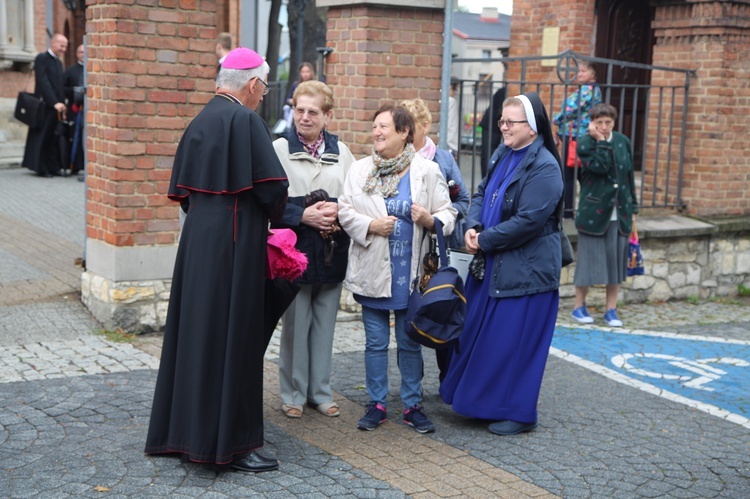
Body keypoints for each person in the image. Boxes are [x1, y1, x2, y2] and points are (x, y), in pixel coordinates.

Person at [145, 48, 289, 473]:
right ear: (250, 84)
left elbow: (186, 196)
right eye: (262, 87)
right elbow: (271, 190)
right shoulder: (245, 120)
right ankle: (233, 445)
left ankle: (181, 435)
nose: (262, 96)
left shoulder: (199, 120)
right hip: (234, 245)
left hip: (198, 246)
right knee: (235, 339)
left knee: (194, 336)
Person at [439, 92, 564, 436]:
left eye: (512, 122)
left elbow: (529, 221)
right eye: (501, 121)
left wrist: (485, 240)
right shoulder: (503, 153)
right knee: (487, 340)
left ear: (533, 127)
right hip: (494, 264)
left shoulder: (546, 168)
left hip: (527, 273)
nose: (504, 128)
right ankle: (483, 405)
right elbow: (480, 193)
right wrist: (473, 226)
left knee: (516, 345)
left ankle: (520, 413)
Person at [338, 104, 456, 434]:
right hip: (373, 272)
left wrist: (430, 220)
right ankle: (375, 404)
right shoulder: (361, 171)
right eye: (374, 126)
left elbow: (449, 215)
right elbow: (344, 212)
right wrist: (371, 224)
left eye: (383, 127)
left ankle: (412, 405)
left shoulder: (427, 171)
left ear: (404, 132)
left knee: (409, 342)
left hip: (411, 277)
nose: (376, 132)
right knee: (375, 343)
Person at [272, 80, 355, 419]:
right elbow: (268, 201)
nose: (304, 118)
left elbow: (354, 197)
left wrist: (338, 211)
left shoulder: (343, 153)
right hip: (295, 253)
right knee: (295, 324)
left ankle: (319, 392)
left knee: (324, 325)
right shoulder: (278, 149)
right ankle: (292, 393)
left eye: (313, 112)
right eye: (299, 110)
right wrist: (301, 214)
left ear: (327, 116)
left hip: (331, 249)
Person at [571, 103, 638, 327]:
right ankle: (578, 306)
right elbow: (599, 167)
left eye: (608, 122)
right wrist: (600, 142)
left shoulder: (623, 141)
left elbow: (628, 176)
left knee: (616, 264)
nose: (604, 126)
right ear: (592, 122)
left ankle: (611, 310)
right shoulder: (586, 143)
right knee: (588, 262)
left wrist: (633, 208)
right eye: (599, 122)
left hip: (620, 213)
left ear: (614, 122)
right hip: (593, 213)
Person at [400, 98, 469, 250]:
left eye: (410, 128)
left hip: (439, 243)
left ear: (425, 126)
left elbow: (463, 201)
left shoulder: (444, 160)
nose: (405, 134)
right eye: (401, 128)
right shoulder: (395, 160)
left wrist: (436, 216)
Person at [553, 60, 602, 218]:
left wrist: (555, 120)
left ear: (592, 74)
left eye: (583, 71)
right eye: (578, 71)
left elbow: (570, 109)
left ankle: (569, 211)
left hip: (576, 137)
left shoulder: (589, 89)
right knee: (579, 174)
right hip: (574, 135)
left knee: (570, 175)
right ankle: (587, 207)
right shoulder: (587, 89)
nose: (578, 74)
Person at [22, 33, 68, 178]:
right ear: (53, 43)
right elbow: (43, 83)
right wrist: (54, 102)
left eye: (66, 46)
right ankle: (41, 168)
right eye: (62, 45)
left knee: (54, 138)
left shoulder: (58, 62)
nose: (64, 49)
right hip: (45, 106)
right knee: (43, 137)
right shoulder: (42, 58)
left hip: (57, 107)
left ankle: (53, 167)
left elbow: (59, 86)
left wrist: (62, 104)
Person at [63, 44, 85, 177]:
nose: (83, 54)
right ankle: (74, 165)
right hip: (75, 109)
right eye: (81, 52)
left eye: (85, 52)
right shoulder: (71, 71)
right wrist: (75, 91)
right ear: (77, 54)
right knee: (74, 137)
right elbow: (63, 89)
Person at [478, 86, 507, 178]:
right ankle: (487, 179)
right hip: (491, 125)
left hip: (495, 125)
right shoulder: (504, 91)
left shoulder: (505, 90)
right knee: (488, 154)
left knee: (490, 154)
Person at [284, 62, 316, 129]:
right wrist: (295, 101)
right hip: (298, 112)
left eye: (307, 71)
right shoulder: (296, 85)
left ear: (311, 72)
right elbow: (288, 99)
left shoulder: (315, 85)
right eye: (303, 72)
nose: (305, 74)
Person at [446, 79, 460, 158]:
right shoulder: (451, 101)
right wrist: (454, 148)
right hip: (449, 146)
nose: (455, 93)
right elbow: (452, 126)